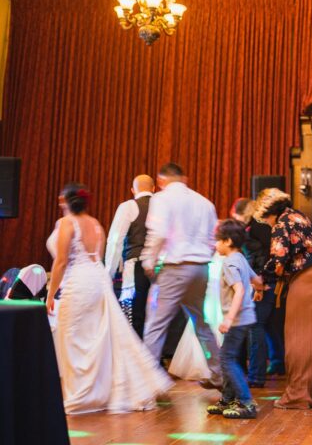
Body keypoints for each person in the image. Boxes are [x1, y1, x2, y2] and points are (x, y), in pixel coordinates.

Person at [45, 183, 173, 414]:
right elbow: (99, 255)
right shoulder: (95, 224)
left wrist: (50, 294)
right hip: (98, 280)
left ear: (66, 200)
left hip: (78, 281)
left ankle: (82, 393)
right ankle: (98, 391)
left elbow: (61, 261)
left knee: (73, 336)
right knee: (98, 336)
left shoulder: (66, 223)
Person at [141, 163, 222, 389]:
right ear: (184, 178)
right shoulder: (205, 202)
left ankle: (148, 384)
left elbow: (158, 234)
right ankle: (219, 374)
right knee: (201, 323)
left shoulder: (162, 199)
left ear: (161, 181)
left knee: (156, 325)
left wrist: (149, 261)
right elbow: (213, 240)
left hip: (174, 267)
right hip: (201, 267)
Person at [253, 188, 312, 409]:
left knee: (297, 336)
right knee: (311, 335)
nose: (266, 223)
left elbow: (278, 261)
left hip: (309, 278)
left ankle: (297, 395)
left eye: (264, 219)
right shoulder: (298, 216)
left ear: (268, 211)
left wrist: (260, 279)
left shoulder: (281, 223)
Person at [206, 219, 260, 419]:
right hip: (246, 317)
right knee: (230, 357)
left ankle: (246, 402)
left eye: (218, 240)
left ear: (228, 241)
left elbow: (239, 290)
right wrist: (261, 288)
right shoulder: (241, 258)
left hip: (237, 320)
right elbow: (255, 279)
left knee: (226, 359)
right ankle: (228, 399)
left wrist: (229, 318)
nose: (215, 244)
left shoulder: (229, 262)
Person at [230, 198, 283, 386]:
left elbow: (263, 256)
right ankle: (277, 364)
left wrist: (259, 281)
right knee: (268, 326)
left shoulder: (256, 229)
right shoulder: (257, 228)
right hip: (265, 279)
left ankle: (256, 376)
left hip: (262, 282)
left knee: (255, 326)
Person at [104, 174, 154, 337]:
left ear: (133, 190)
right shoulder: (163, 206)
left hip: (136, 268)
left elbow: (115, 241)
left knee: (132, 318)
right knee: (155, 321)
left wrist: (109, 273)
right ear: (153, 188)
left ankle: (135, 350)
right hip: (160, 268)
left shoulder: (129, 206)